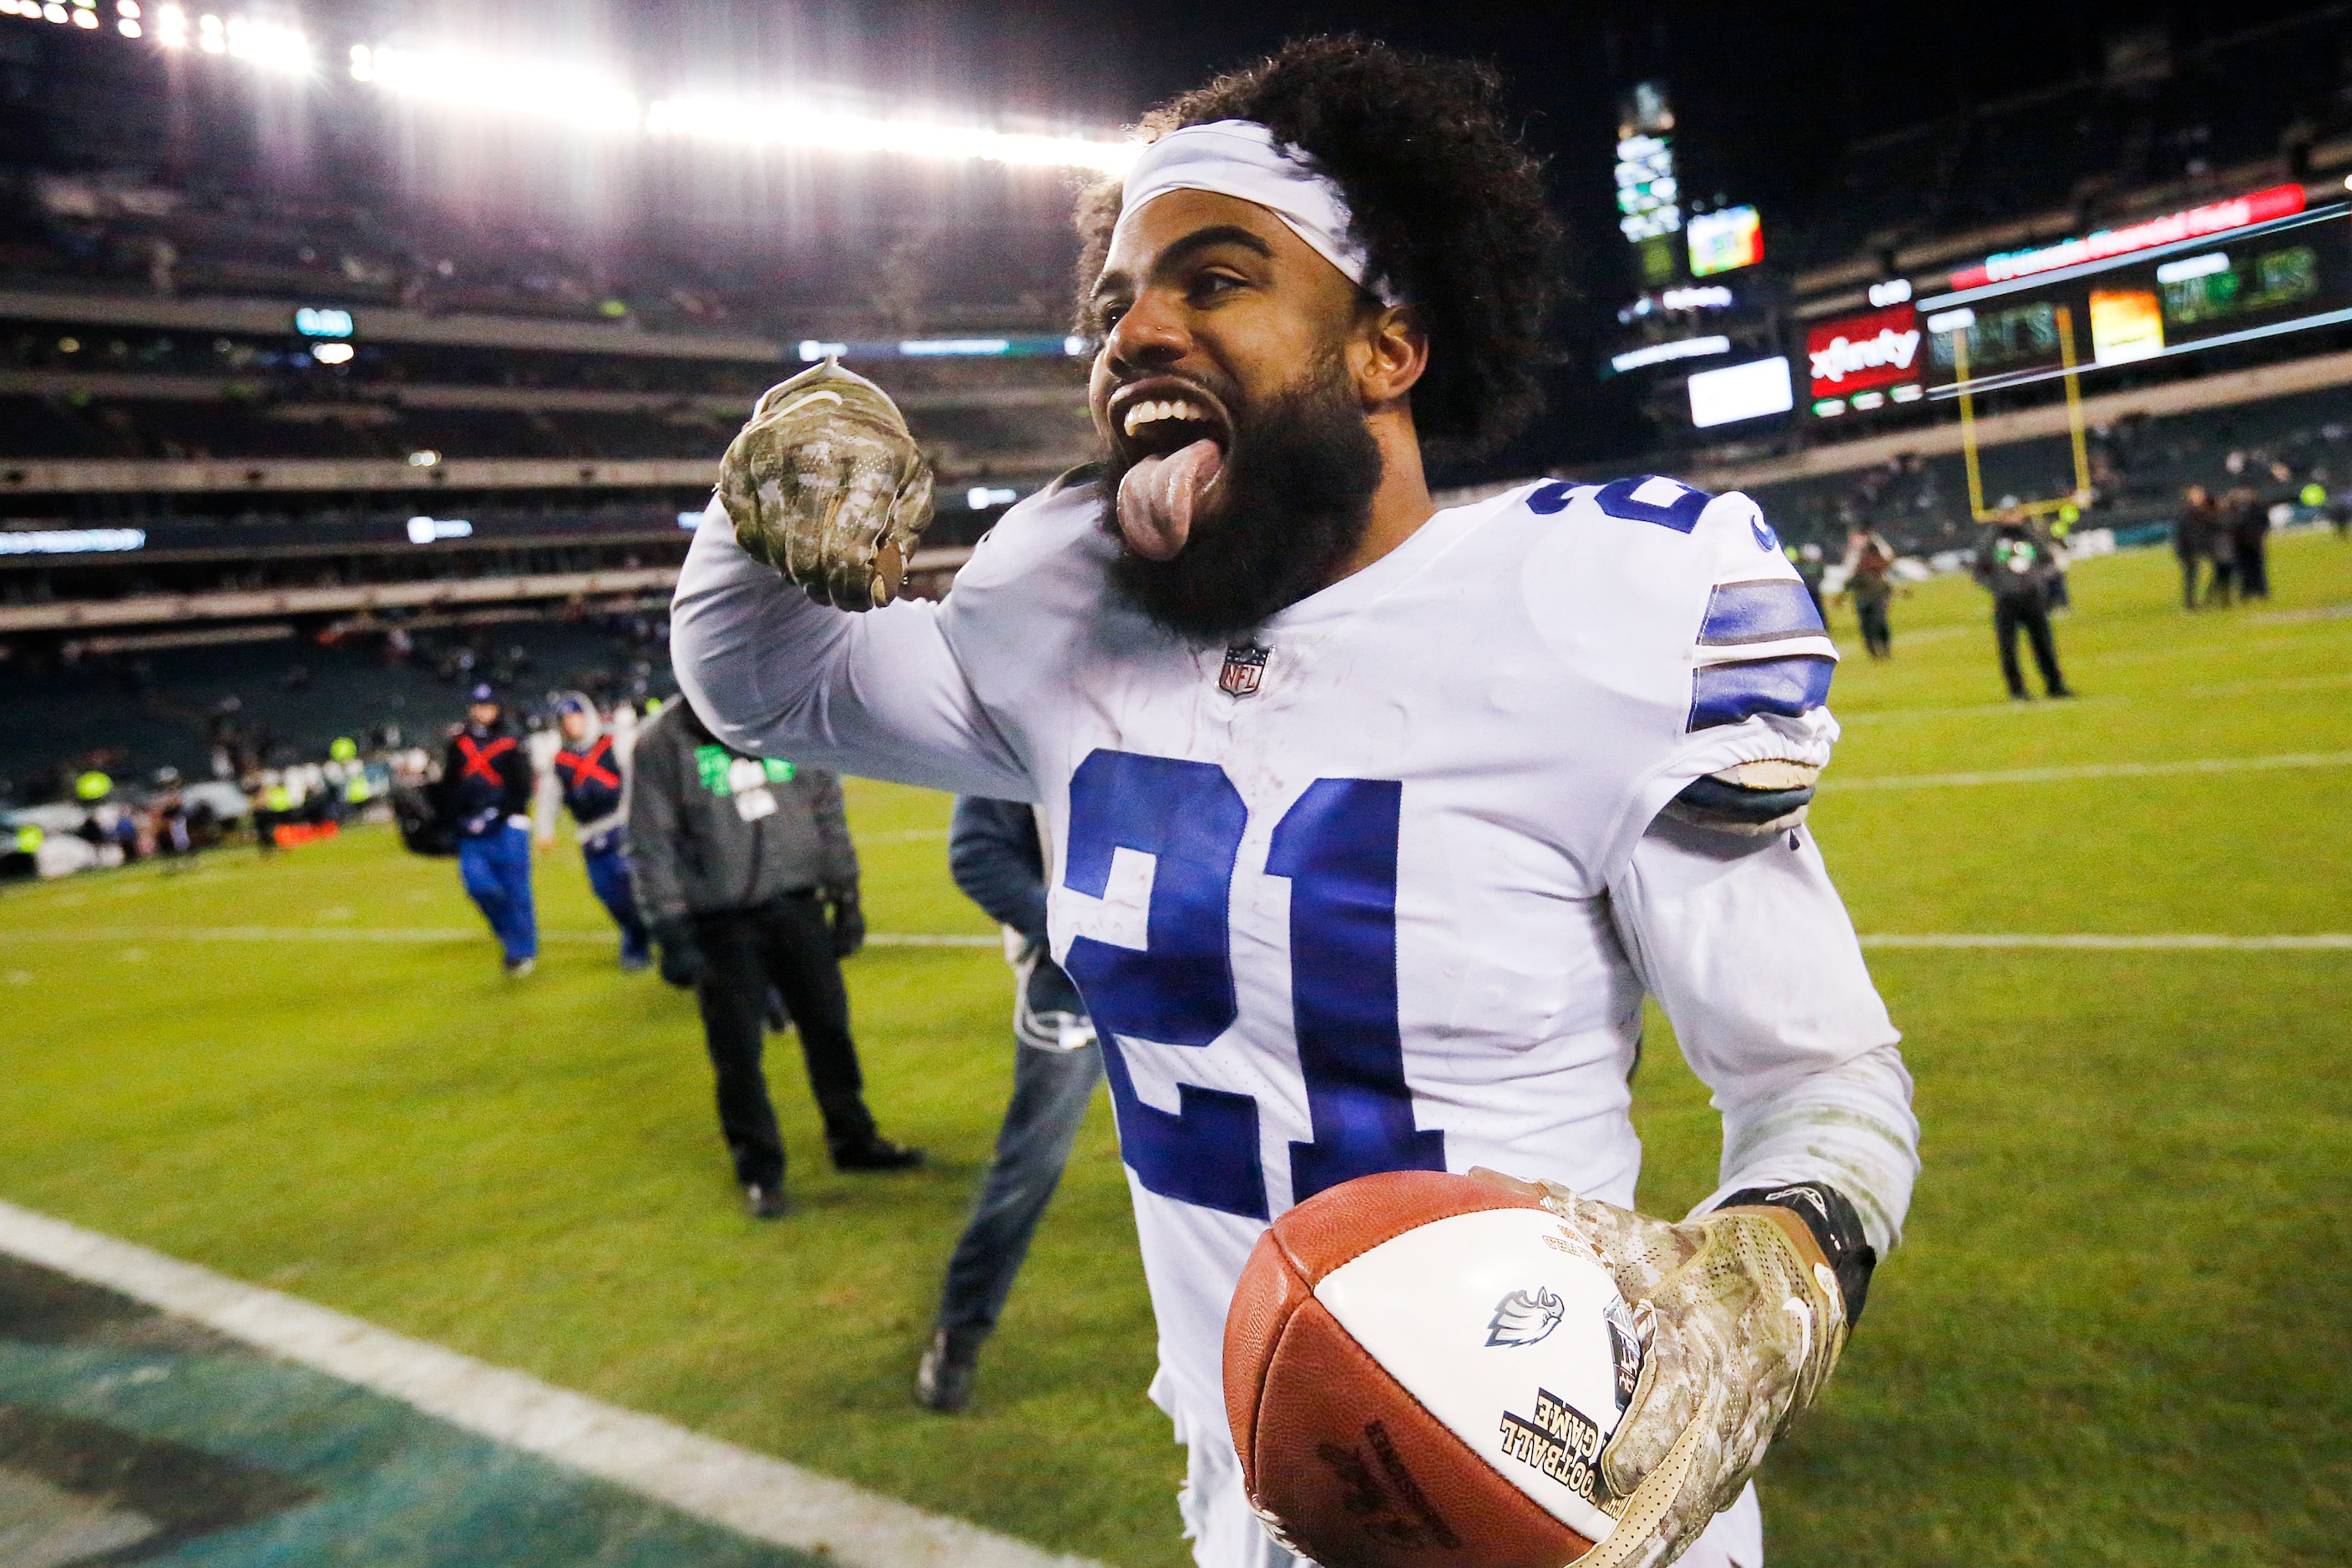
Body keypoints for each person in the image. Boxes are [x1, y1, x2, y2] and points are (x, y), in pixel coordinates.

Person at [677, 39, 1915, 1568]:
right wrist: (761, 507)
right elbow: (768, 689)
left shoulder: (1590, 614)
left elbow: (1818, 1073)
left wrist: (1771, 1279)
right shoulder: (1068, 614)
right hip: (1249, 1484)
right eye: (1114, 300)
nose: (1134, 329)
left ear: (1387, 349)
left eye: (1212, 281)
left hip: (1552, 1484)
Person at [627, 695, 922, 1219]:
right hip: (723, 922)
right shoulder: (662, 743)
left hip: (798, 905)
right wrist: (669, 929)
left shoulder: (780, 715)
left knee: (829, 1028)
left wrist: (846, 896)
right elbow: (651, 841)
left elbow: (825, 806)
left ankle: (853, 1138)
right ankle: (759, 1170)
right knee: (738, 1052)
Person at [917, 797, 1103, 1414]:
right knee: (1031, 1165)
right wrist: (1070, 933)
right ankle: (959, 1332)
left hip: (1182, 978)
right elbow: (975, 853)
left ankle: (1270, 1337)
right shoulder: (1039, 706)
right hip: (1072, 984)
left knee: (1225, 1158)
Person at [535, 691, 651, 970]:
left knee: (638, 887)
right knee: (608, 893)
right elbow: (548, 797)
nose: (572, 724)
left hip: (621, 825)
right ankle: (637, 932)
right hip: (589, 833)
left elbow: (637, 778)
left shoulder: (613, 743)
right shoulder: (560, 760)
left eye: (576, 717)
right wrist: (544, 830)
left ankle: (642, 943)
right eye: (567, 719)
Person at [443, 683, 538, 975]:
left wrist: (501, 813)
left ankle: (521, 952)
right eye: (479, 706)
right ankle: (508, 933)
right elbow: (451, 785)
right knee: (479, 886)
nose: (483, 712)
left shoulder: (512, 741)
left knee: (515, 891)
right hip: (471, 828)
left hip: (508, 825)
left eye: (488, 706)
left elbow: (522, 787)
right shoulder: (459, 743)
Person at [1972, 514, 2074, 701]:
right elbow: (1979, 571)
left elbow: (2048, 561)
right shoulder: (1989, 540)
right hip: (2006, 601)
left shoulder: (2030, 536)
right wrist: (1999, 588)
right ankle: (2017, 690)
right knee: (2009, 649)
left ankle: (2055, 686)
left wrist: (2037, 581)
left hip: (2033, 599)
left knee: (2044, 645)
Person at [1841, 529, 1898, 660]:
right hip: (1861, 591)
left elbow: (1887, 560)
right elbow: (1849, 571)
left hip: (1876, 589)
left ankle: (1884, 649)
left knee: (1879, 621)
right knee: (1865, 623)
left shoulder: (1876, 546)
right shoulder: (1853, 552)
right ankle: (1873, 652)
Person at [2225, 485, 2270, 601]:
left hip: (2254, 542)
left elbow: (2264, 522)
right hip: (2239, 544)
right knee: (2243, 570)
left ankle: (2261, 592)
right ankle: (2246, 593)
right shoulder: (2232, 510)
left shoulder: (2256, 508)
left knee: (2258, 568)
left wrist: (2259, 534)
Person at [2176, 485, 2218, 609]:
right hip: (2188, 548)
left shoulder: (2204, 510)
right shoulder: (2186, 512)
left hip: (2201, 547)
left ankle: (2208, 598)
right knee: (2191, 576)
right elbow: (2183, 533)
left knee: (2218, 569)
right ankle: (2190, 602)